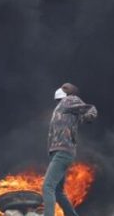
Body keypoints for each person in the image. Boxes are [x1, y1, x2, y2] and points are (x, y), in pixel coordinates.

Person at [42, 82, 97, 216]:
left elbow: (90, 109)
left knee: (47, 187)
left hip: (62, 152)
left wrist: (89, 116)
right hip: (59, 152)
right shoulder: (62, 107)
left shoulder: (69, 100)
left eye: (64, 88)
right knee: (58, 192)